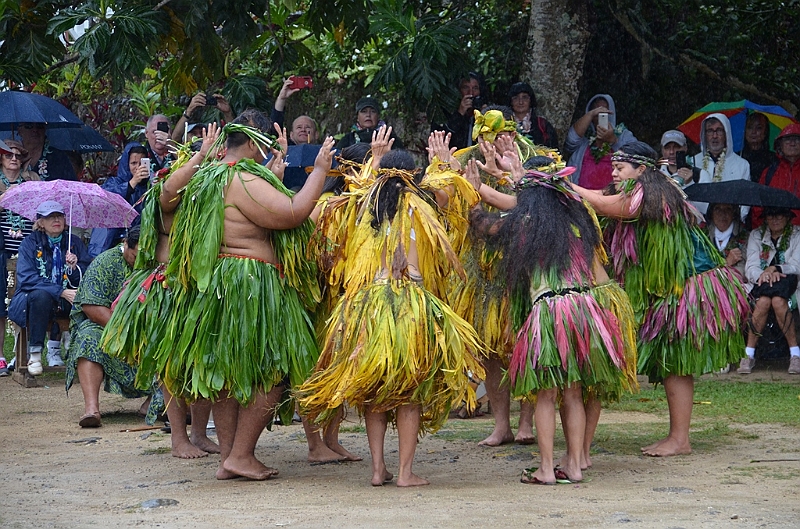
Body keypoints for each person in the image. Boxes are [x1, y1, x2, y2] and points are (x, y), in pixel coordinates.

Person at [157, 111, 335, 480]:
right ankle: (240, 455)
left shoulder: (206, 177)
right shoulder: (241, 177)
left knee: (226, 371)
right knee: (273, 369)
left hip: (215, 287)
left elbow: (165, 197)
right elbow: (292, 213)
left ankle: (229, 457)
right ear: (253, 143)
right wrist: (319, 170)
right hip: (248, 284)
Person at [298, 150, 483, 487]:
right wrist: (443, 163)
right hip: (409, 301)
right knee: (408, 393)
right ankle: (405, 473)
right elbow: (453, 196)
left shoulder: (361, 208)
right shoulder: (422, 203)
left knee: (376, 393)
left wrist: (375, 163)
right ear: (413, 174)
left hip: (367, 304)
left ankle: (377, 469)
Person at [465, 152, 636, 485]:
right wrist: (516, 174)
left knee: (545, 393)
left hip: (553, 311)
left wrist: (473, 200)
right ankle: (573, 465)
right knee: (572, 392)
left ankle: (546, 468)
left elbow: (489, 226)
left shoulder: (527, 220)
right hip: (586, 309)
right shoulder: (576, 218)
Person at [571, 142, 749, 457]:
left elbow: (601, 204)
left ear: (641, 170)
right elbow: (599, 199)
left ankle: (680, 439)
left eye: (620, 167)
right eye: (613, 166)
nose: (613, 172)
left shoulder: (650, 195)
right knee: (671, 363)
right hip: (670, 288)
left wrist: (557, 181)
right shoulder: (643, 190)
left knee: (676, 363)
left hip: (689, 285)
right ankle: (677, 437)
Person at [102, 124, 222, 458]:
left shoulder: (209, 196)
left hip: (198, 288)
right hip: (168, 288)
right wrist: (200, 154)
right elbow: (170, 190)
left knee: (201, 362)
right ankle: (178, 438)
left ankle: (199, 433)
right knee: (172, 367)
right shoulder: (167, 193)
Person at [64, 227, 164, 427]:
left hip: (148, 329)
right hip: (107, 327)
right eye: (135, 256)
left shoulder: (155, 263)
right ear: (126, 243)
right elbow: (91, 306)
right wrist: (126, 330)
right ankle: (92, 409)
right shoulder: (104, 262)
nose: (139, 262)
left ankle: (154, 403)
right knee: (88, 338)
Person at [7, 201, 92, 375]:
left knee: (86, 300)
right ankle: (36, 354)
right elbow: (27, 278)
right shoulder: (29, 244)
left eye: (59, 216)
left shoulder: (73, 242)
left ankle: (80, 351)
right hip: (34, 300)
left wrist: (75, 268)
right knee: (41, 296)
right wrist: (60, 291)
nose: (56, 220)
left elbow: (88, 274)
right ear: (40, 222)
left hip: (68, 298)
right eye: (50, 217)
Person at [740, 207, 800, 375]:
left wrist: (776, 268)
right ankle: (748, 354)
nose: (775, 219)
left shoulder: (797, 235)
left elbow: (797, 265)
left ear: (788, 217)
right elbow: (750, 267)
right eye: (771, 215)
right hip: (762, 284)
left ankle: (795, 355)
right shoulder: (756, 235)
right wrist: (765, 274)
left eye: (779, 214)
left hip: (792, 285)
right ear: (765, 219)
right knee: (764, 301)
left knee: (778, 301)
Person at [0, 140, 41, 374]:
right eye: (8, 155)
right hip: (3, 247)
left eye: (17, 155)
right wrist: (9, 195)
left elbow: (43, 206)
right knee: (2, 302)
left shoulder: (32, 179)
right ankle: (2, 356)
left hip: (26, 245)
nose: (13, 159)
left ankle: (19, 353)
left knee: (21, 299)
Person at [565, 94, 637, 189]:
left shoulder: (623, 135)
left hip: (613, 199)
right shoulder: (585, 137)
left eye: (604, 112)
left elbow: (636, 156)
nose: (600, 117)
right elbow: (571, 141)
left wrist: (613, 140)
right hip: (581, 198)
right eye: (597, 113)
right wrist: (591, 114)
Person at [89, 143, 150, 256]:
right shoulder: (114, 183)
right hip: (113, 244)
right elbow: (108, 202)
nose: (138, 167)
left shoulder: (151, 186)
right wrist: (132, 183)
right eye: (133, 163)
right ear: (126, 164)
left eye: (142, 163)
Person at [689, 113, 750, 218]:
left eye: (719, 130)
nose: (714, 136)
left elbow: (745, 202)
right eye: (710, 131)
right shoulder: (693, 161)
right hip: (698, 225)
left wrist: (732, 221)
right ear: (704, 134)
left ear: (726, 133)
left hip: (730, 224)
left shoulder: (742, 164)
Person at [751, 124, 800, 228]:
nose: (792, 143)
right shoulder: (769, 173)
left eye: (796, 139)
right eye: (787, 139)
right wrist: (763, 232)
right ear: (780, 145)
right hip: (773, 234)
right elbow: (758, 207)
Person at [336, 97, 404, 150]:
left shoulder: (389, 138)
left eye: (373, 111)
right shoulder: (348, 139)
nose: (368, 115)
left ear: (378, 116)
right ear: (357, 117)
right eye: (364, 111)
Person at [443, 72, 488, 150]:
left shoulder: (484, 110)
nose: (470, 93)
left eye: (475, 88)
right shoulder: (448, 111)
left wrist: (485, 117)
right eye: (465, 87)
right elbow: (447, 137)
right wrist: (460, 113)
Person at [508, 82, 559, 149]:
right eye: (516, 98)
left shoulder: (542, 125)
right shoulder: (504, 123)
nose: (520, 102)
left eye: (525, 97)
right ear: (511, 101)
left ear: (530, 100)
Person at [740, 112, 777, 183]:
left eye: (759, 128)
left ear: (765, 132)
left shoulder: (774, 159)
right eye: (750, 127)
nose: (753, 132)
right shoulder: (737, 157)